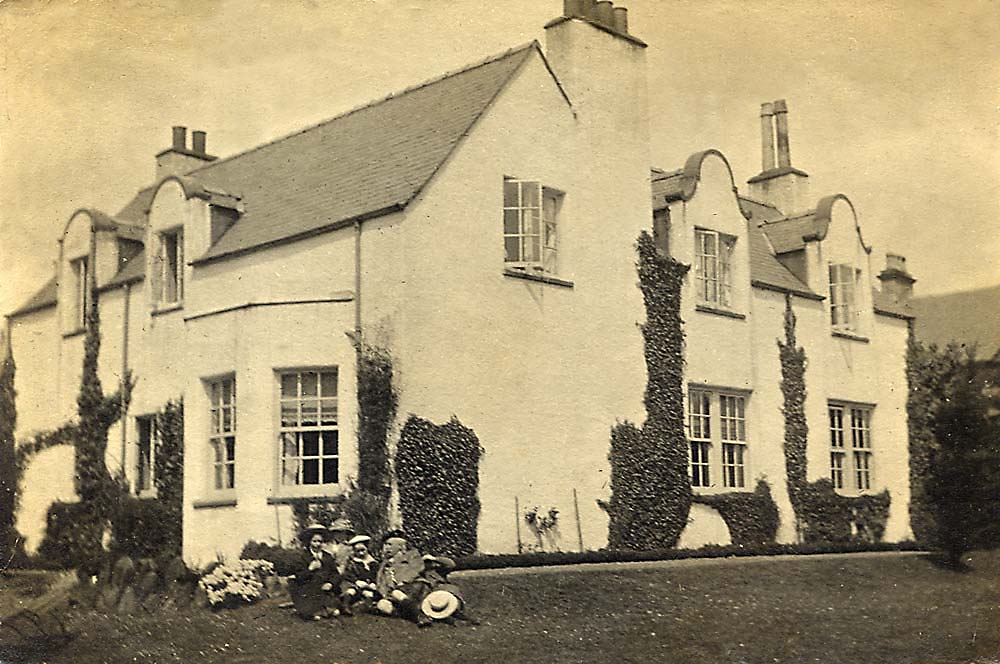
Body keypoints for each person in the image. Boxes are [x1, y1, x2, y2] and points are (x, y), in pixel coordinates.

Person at [287, 523, 342, 620]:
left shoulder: (327, 556)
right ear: (309, 542)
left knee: (335, 610)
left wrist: (330, 583)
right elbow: (299, 576)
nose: (317, 544)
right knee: (311, 609)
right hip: (309, 589)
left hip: (325, 588)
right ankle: (314, 611)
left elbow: (335, 574)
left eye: (320, 541)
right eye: (314, 541)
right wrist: (310, 569)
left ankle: (326, 608)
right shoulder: (302, 557)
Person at [374, 531, 430, 625]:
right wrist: (384, 593)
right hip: (395, 593)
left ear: (400, 546)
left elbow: (417, 569)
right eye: (386, 545)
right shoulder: (384, 564)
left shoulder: (412, 555)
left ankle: (420, 616)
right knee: (382, 605)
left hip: (414, 586)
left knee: (397, 593)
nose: (387, 547)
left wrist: (403, 581)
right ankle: (408, 613)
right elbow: (380, 581)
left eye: (390, 544)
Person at [340, 534, 379, 612]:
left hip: (369, 586)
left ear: (367, 549)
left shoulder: (373, 562)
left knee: (369, 594)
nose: (361, 553)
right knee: (351, 591)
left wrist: (374, 582)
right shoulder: (352, 562)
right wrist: (356, 581)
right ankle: (345, 606)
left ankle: (368, 606)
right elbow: (347, 574)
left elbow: (377, 574)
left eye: (363, 550)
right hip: (355, 584)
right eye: (358, 551)